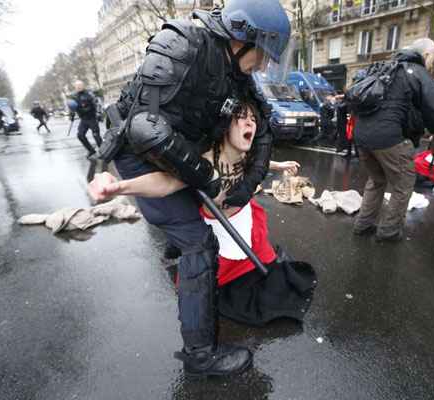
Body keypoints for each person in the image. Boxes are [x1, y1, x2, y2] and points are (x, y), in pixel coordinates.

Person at [104, 0, 292, 377]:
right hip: (140, 154)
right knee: (199, 242)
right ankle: (201, 356)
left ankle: (186, 265)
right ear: (241, 38)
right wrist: (206, 177)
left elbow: (264, 130)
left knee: (192, 227)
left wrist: (245, 188)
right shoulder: (181, 45)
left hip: (181, 151)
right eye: (263, 54)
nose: (265, 64)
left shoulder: (236, 71)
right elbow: (145, 129)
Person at [89, 101, 315, 327]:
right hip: (220, 231)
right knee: (220, 283)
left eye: (253, 120)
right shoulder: (206, 160)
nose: (250, 123)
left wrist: (280, 165)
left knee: (266, 264)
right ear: (226, 124)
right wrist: (121, 187)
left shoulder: (246, 154)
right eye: (242, 118)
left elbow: (259, 162)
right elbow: (166, 183)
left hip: (247, 219)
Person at [351, 38, 434, 242]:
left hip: (361, 135)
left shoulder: (384, 67)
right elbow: (432, 110)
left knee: (376, 180)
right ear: (427, 55)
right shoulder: (417, 71)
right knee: (402, 183)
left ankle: (363, 224)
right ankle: (388, 232)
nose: (433, 63)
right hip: (389, 137)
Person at [68, 80, 102, 159]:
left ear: (83, 86)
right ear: (75, 87)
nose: (79, 87)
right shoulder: (74, 96)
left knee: (96, 136)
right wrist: (71, 115)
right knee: (80, 135)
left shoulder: (89, 94)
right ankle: (91, 150)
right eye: (77, 86)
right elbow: (72, 107)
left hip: (92, 118)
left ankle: (103, 151)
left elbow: (97, 104)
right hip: (83, 119)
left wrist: (99, 113)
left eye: (80, 85)